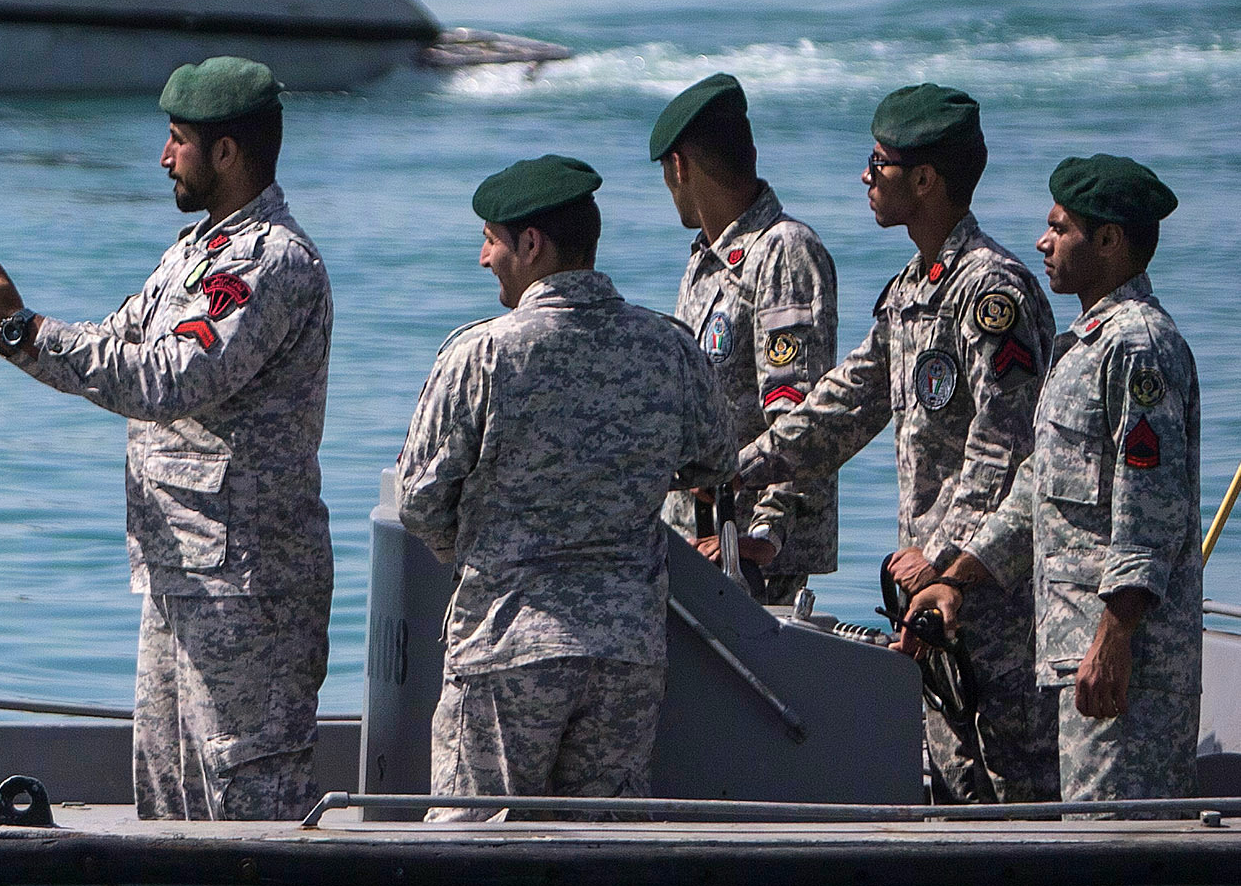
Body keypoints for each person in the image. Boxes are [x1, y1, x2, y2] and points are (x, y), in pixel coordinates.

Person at [0, 58, 334, 819]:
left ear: (225, 151)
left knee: (244, 800)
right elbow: (116, 342)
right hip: (184, 569)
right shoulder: (196, 253)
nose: (164, 158)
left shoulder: (268, 263)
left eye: (177, 140)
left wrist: (23, 330)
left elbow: (166, 380)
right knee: (167, 795)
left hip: (245, 583)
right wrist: (5, 328)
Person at [738, 84, 1055, 800]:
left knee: (1017, 791)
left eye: (878, 163)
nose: (865, 176)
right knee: (950, 788)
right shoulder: (912, 291)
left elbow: (1004, 446)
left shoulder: (989, 294)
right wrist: (739, 469)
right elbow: (844, 405)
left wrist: (941, 553)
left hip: (989, 593)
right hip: (929, 595)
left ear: (925, 180)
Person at [394, 156, 731, 813]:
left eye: (490, 240)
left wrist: (477, 555)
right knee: (602, 849)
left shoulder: (482, 354)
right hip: (625, 653)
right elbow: (716, 461)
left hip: (506, 646)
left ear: (530, 244)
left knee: (474, 841)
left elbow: (418, 501)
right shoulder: (668, 347)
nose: (483, 258)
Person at [903, 156, 1203, 800]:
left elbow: (1151, 509)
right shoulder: (1084, 347)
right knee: (1081, 839)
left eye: (1060, 229)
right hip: (1076, 660)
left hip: (1127, 669)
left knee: (1118, 848)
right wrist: (955, 578)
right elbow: (1036, 492)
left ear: (1109, 240)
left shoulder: (1137, 347)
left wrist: (1114, 636)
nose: (1043, 242)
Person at [648, 72, 837, 601]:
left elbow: (801, 416)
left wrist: (766, 535)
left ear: (679, 166)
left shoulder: (782, 253)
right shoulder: (707, 261)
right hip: (699, 549)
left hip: (749, 561)